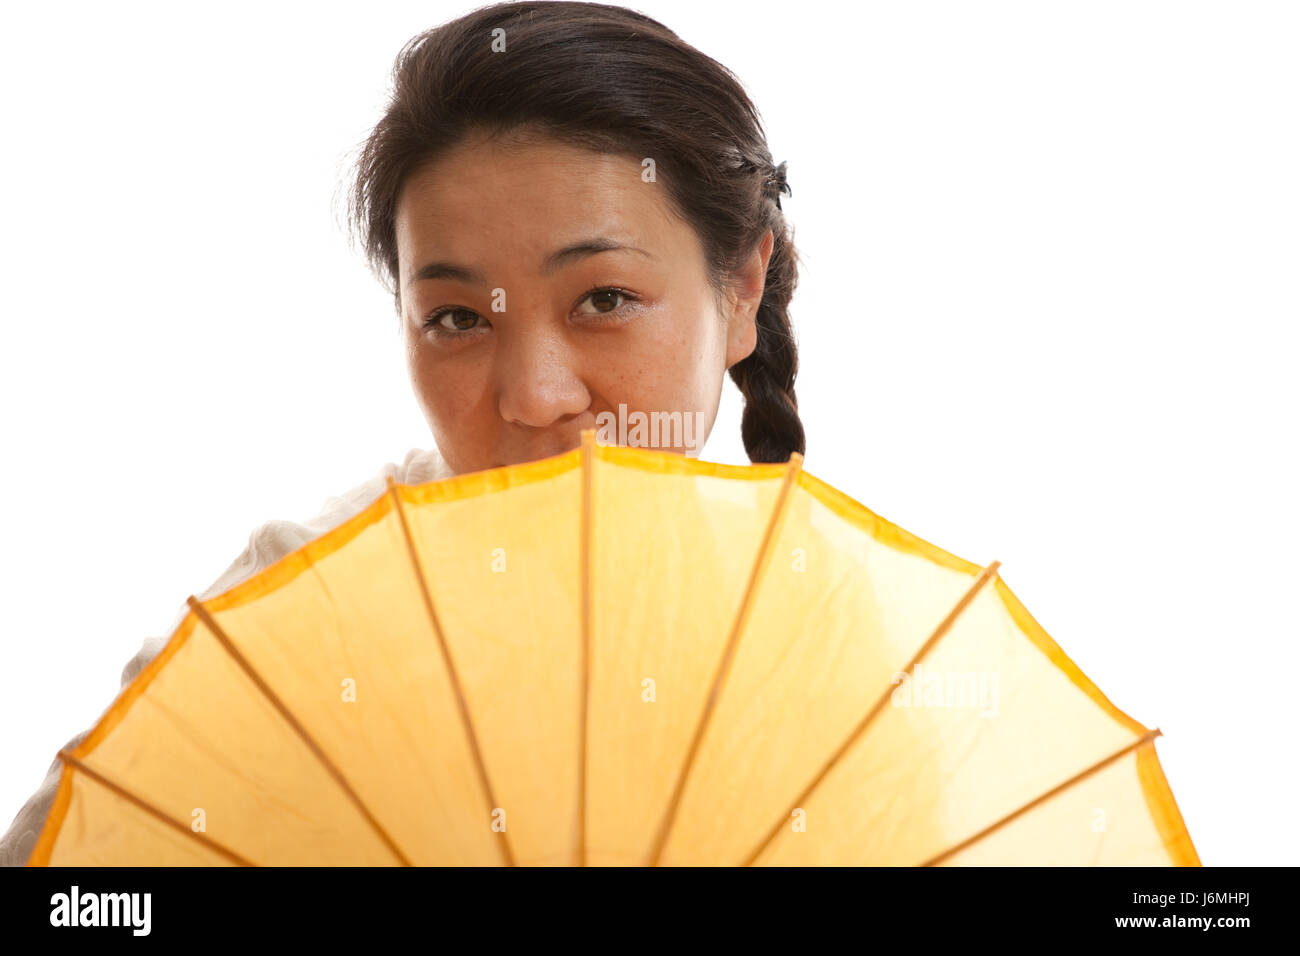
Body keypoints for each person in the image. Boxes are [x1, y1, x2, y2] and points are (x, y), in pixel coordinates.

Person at [1, 0, 804, 864]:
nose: (534, 397)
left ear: (741, 290)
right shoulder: (301, 620)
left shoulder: (823, 643)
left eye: (603, 300)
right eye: (458, 318)